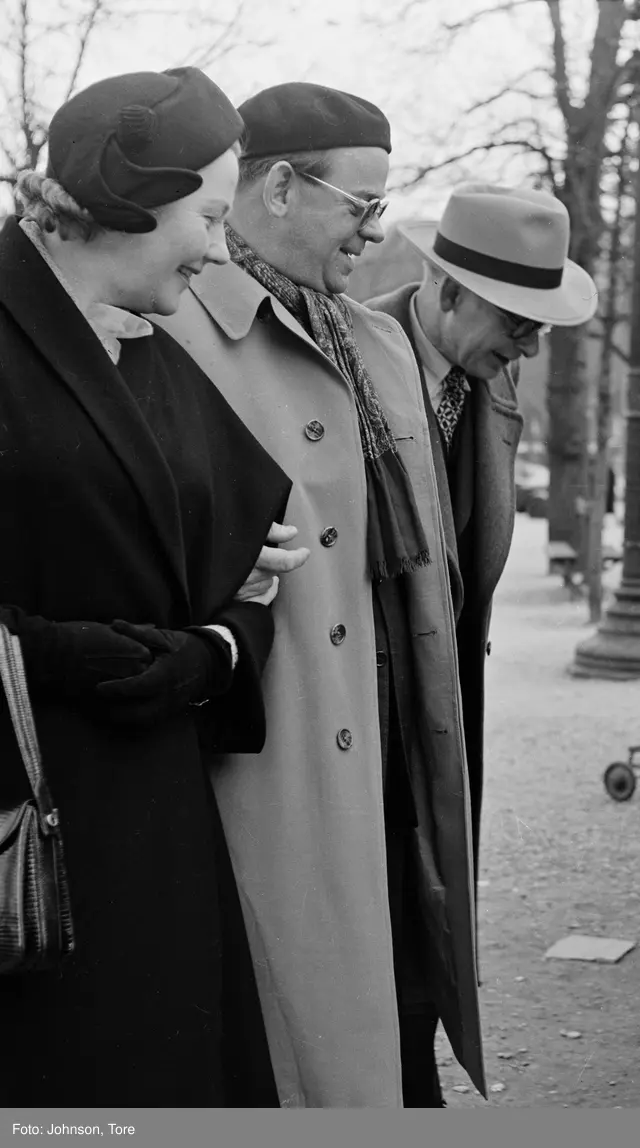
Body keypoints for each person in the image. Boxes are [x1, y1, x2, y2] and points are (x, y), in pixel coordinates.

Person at [153, 82, 482, 1108]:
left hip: (394, 751)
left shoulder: (375, 341)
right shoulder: (167, 334)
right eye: (362, 205)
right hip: (277, 753)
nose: (371, 233)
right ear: (282, 186)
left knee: (399, 999)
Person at [0, 68, 307, 1105]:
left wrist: (216, 647)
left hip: (155, 821)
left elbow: (256, 559)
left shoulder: (151, 348)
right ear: (130, 194)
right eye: (210, 213)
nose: (220, 246)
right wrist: (68, 652)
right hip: (25, 829)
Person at [365, 182, 598, 1100]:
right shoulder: (341, 362)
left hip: (449, 694)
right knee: (378, 907)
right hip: (368, 705)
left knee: (435, 907)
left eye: (543, 328)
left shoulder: (491, 383)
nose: (531, 347)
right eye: (519, 321)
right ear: (448, 292)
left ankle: (414, 1067)